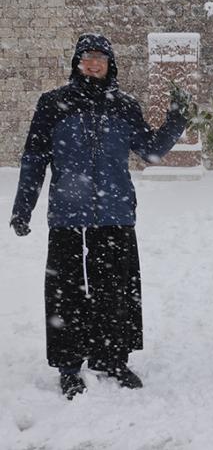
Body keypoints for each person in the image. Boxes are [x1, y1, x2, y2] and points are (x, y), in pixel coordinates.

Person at [10, 33, 191, 400]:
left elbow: (151, 150)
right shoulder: (53, 104)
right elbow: (35, 158)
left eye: (101, 58)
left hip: (115, 212)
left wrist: (176, 119)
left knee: (115, 291)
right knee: (67, 293)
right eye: (87, 57)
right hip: (68, 214)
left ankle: (112, 359)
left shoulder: (125, 106)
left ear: (110, 65)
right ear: (77, 62)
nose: (94, 63)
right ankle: (69, 367)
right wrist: (22, 208)